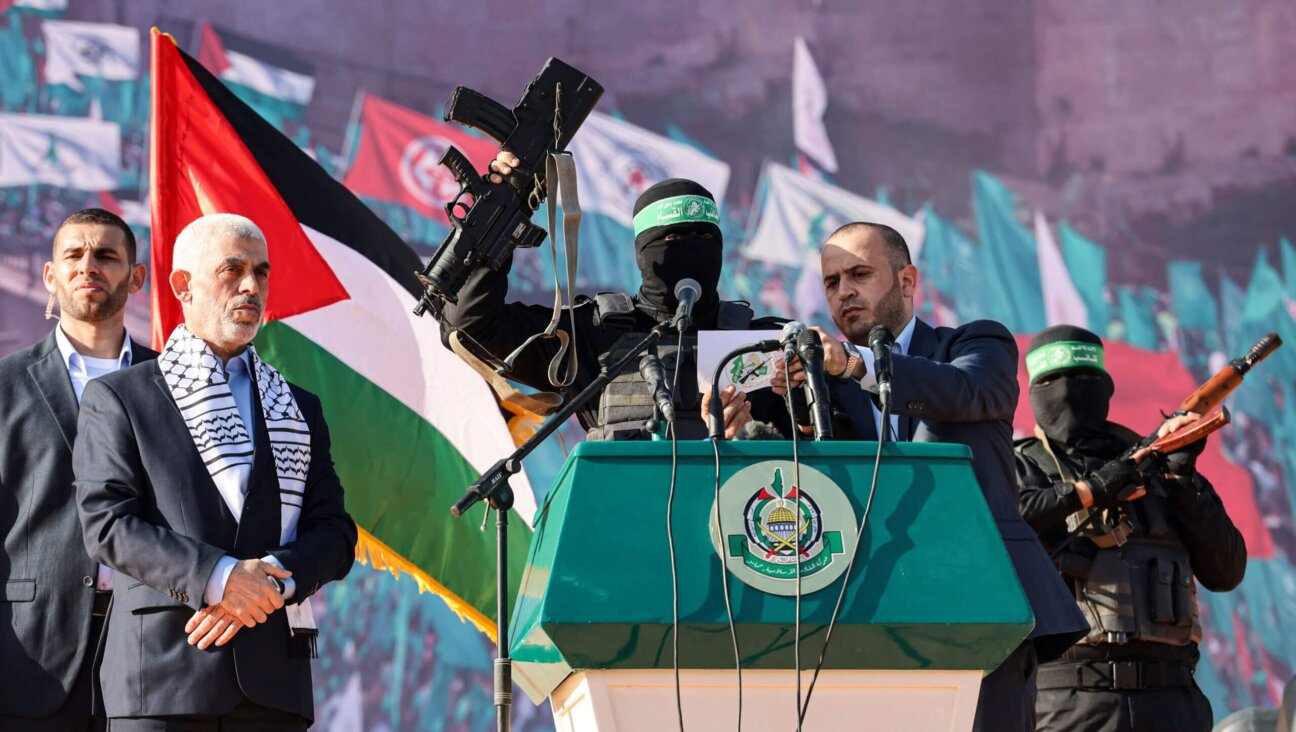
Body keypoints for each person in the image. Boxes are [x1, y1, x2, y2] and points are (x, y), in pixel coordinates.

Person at [774, 221, 1089, 731]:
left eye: (859, 273)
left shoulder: (974, 343)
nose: (844, 292)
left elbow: (972, 392)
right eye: (832, 283)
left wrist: (858, 367)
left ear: (906, 280)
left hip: (982, 600)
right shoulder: (823, 385)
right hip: (869, 609)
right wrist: (748, 420)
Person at [73, 213, 357, 730]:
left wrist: (265, 584)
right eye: (233, 269)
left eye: (262, 272)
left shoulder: (297, 407)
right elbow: (107, 524)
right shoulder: (121, 396)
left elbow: (336, 534)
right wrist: (220, 577)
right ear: (182, 284)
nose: (251, 286)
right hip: (161, 680)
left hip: (274, 685)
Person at [438, 151, 786, 440]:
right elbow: (469, 330)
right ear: (642, 253)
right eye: (672, 241)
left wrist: (750, 439)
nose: (692, 250)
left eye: (705, 238)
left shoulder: (763, 342)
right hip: (620, 517)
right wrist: (502, 216)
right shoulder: (590, 335)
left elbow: (824, 432)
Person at [1014, 324, 1246, 732]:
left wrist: (1182, 479)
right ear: (1034, 391)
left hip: (1173, 700)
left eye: (1083, 378)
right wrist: (1091, 490)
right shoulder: (1021, 467)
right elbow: (1008, 528)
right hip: (1067, 701)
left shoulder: (1155, 465)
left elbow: (1226, 571)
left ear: (1105, 386)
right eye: (1052, 380)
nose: (1068, 391)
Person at [0, 208, 152, 731]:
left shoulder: (177, 385)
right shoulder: (5, 385)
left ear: (137, 277)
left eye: (107, 255)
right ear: (50, 275)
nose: (89, 265)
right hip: (28, 656)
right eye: (74, 254)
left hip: (153, 656)